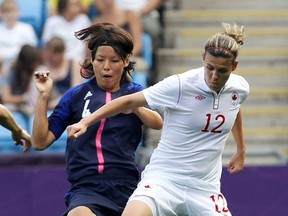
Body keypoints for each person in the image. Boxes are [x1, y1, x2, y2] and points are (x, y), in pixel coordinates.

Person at [67, 22, 249, 215]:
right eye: (209, 67)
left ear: (234, 67)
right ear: (203, 59)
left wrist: (241, 148)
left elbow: (233, 108)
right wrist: (85, 121)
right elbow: (127, 101)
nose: (214, 76)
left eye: (222, 71)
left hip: (204, 188)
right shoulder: (180, 85)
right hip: (164, 179)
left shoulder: (240, 88)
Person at [32, 23, 163, 216]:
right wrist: (43, 97)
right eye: (100, 60)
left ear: (126, 61)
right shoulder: (76, 96)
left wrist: (135, 108)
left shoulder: (135, 93)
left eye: (114, 60)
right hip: (86, 187)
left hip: (127, 186)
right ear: (92, 61)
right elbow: (40, 141)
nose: (106, 67)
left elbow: (157, 122)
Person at [41, 36, 83, 109]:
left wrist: (58, 101)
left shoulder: (73, 64)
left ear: (63, 51)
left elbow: (76, 90)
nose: (55, 57)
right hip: (49, 105)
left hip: (69, 103)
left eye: (58, 53)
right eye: (52, 54)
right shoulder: (43, 67)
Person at [2, 44, 42, 117]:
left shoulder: (35, 72)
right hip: (13, 108)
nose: (35, 65)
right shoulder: (10, 71)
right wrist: (24, 98)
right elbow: (6, 98)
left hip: (29, 109)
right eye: (32, 63)